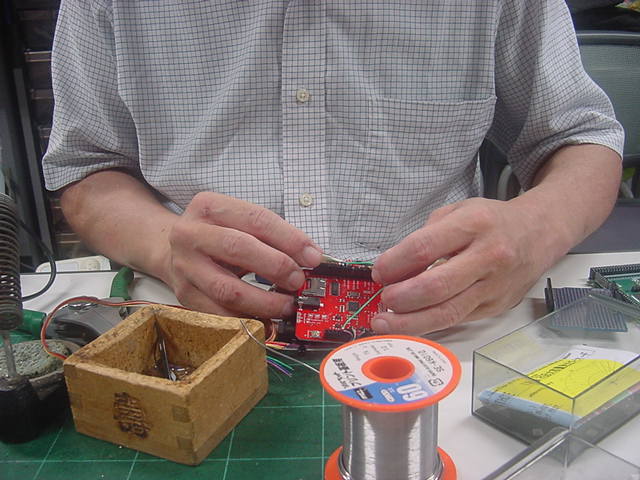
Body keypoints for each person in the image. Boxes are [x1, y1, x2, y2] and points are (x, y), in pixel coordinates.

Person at [43, 0, 624, 336]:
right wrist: (164, 246)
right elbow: (89, 168)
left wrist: (534, 227)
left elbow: (581, 138)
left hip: (448, 321)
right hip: (196, 319)